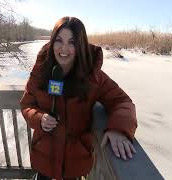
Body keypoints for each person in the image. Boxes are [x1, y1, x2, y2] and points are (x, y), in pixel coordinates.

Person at [20, 16, 137, 180]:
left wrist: (118, 129)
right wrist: (39, 118)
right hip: (44, 156)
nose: (64, 48)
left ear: (80, 45)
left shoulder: (93, 77)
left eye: (72, 42)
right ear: (52, 41)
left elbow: (122, 101)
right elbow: (27, 104)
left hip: (74, 161)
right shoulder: (40, 71)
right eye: (59, 40)